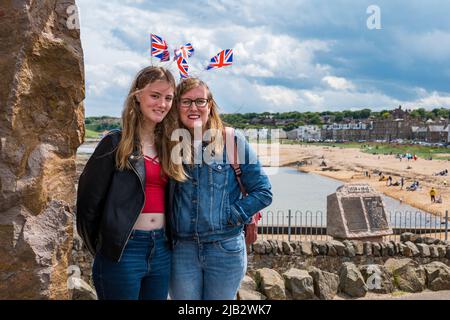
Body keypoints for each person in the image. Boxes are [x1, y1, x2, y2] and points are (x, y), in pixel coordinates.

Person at [76, 66, 185, 300]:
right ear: (137, 96)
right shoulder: (115, 142)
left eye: (168, 98)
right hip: (124, 251)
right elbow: (87, 205)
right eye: (155, 96)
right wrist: (106, 247)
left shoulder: (171, 145)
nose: (162, 104)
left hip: (162, 251)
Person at [168, 78, 273, 300]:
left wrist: (232, 215)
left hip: (224, 248)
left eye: (200, 101)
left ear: (210, 105)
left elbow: (263, 191)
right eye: (186, 101)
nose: (193, 107)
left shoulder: (232, 140)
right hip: (181, 250)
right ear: (176, 105)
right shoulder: (168, 143)